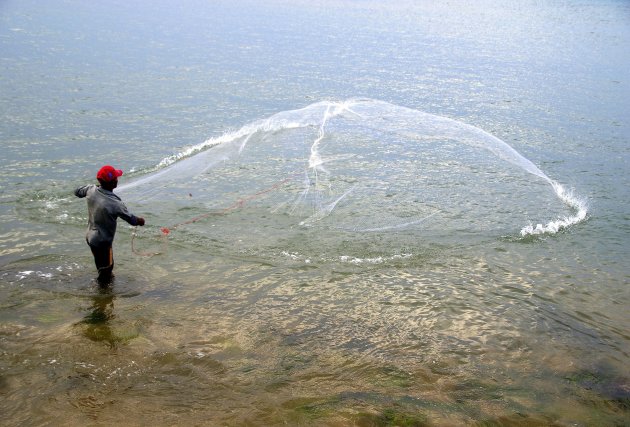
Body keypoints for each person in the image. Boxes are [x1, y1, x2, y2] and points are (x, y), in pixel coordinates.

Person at [75, 165, 145, 285]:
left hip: (90, 237)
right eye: (116, 178)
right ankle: (101, 296)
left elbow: (77, 192)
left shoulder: (91, 190)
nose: (117, 179)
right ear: (113, 183)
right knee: (107, 269)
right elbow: (131, 220)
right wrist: (141, 221)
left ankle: (104, 291)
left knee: (100, 263)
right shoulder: (115, 203)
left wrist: (95, 187)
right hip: (102, 242)